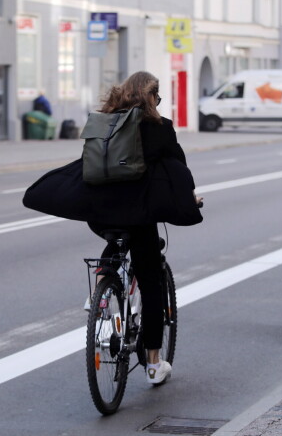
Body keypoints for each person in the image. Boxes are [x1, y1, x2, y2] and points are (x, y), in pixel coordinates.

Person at [81, 71, 202, 385]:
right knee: (151, 285)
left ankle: (102, 287)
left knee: (117, 238)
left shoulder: (102, 122)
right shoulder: (158, 127)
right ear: (151, 96)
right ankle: (152, 363)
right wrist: (190, 198)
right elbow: (178, 168)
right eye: (157, 98)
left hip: (100, 211)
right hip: (139, 214)